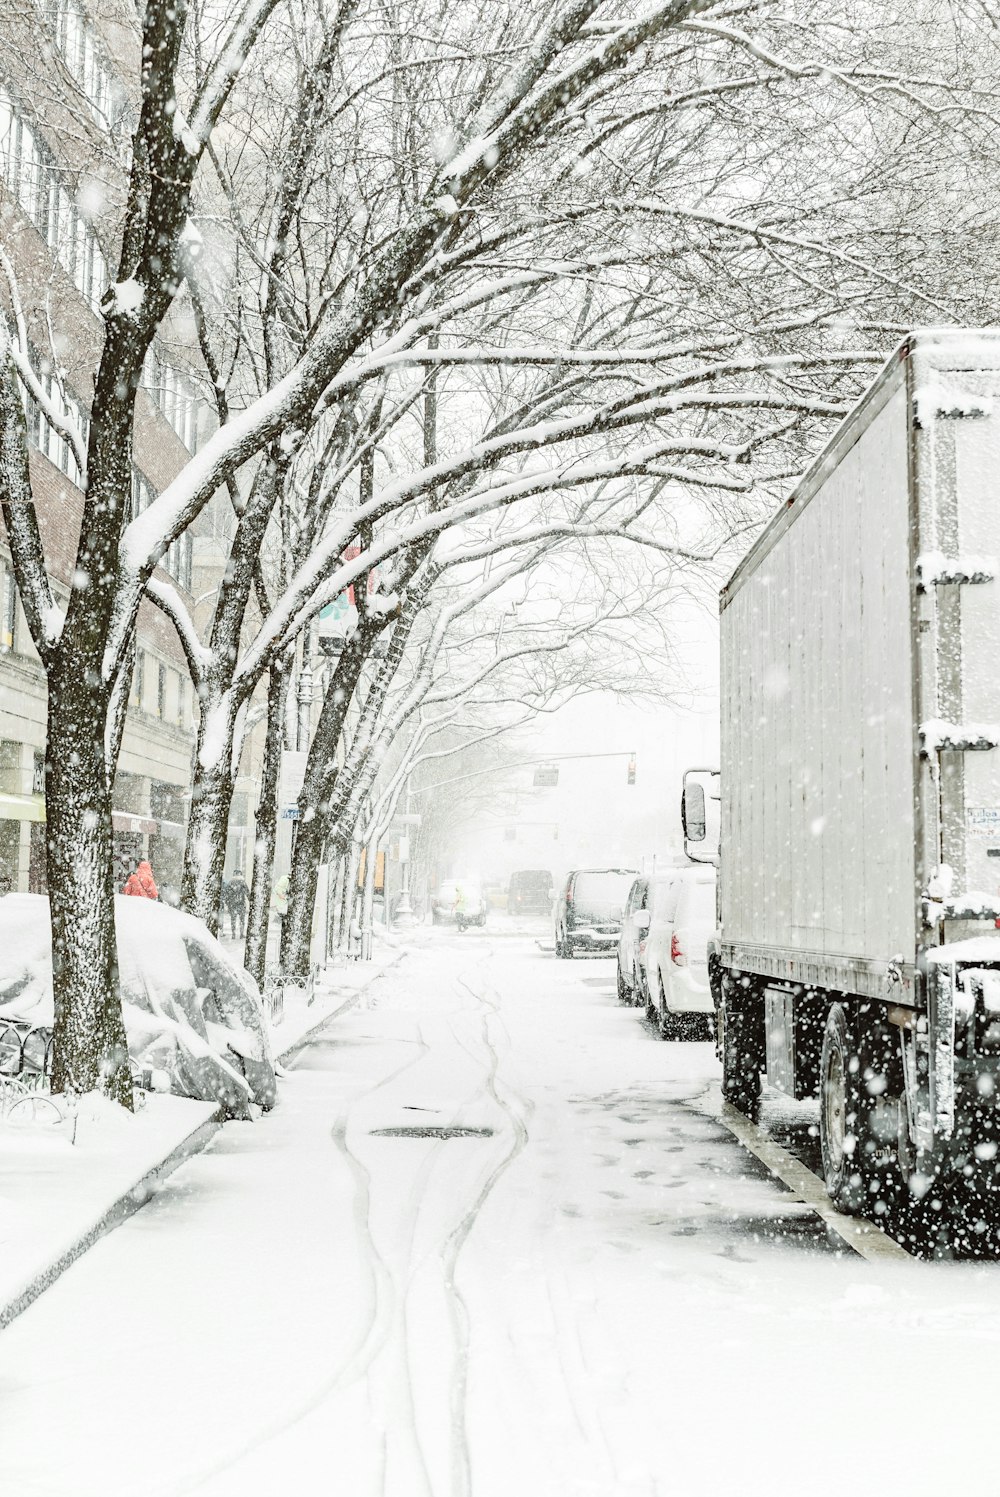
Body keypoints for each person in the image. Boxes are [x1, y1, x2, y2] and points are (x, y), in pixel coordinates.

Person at [226, 870, 249, 940]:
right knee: (242, 920)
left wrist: (228, 904)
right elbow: (247, 893)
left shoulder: (230, 883)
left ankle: (233, 934)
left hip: (233, 904)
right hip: (241, 904)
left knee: (233, 920)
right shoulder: (243, 883)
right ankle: (241, 934)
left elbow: (227, 894)